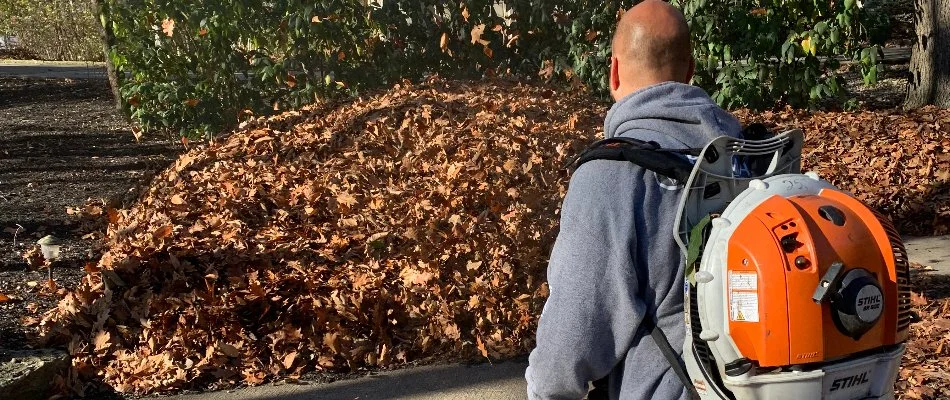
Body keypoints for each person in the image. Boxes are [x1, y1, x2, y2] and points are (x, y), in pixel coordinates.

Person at [524, 1, 743, 399]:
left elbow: (568, 348)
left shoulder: (610, 176)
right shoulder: (754, 159)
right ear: (690, 73)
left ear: (614, 71)